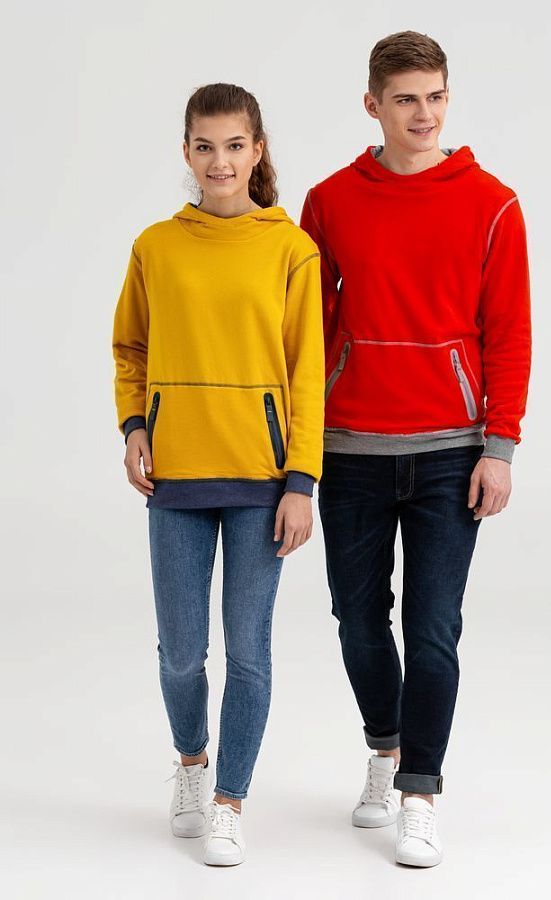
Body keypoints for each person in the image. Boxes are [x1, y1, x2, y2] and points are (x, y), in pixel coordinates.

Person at [300, 31, 531, 867]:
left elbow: (508, 331)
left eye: (434, 96)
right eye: (405, 99)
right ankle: (386, 745)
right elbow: (307, 333)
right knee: (358, 620)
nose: (423, 113)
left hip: (449, 452)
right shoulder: (329, 202)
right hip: (350, 448)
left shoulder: (493, 203)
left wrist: (499, 445)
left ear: (447, 97)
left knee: (433, 629)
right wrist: (298, 446)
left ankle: (420, 792)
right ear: (373, 105)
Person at [112, 83, 324, 866]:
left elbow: (308, 374)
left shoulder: (292, 250)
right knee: (178, 652)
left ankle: (230, 801)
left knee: (248, 653)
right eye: (205, 146)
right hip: (176, 479)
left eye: (235, 145)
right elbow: (130, 348)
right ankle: (192, 765)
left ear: (257, 150)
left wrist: (302, 481)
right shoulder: (156, 247)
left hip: (263, 482)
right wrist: (135, 424)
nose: (220, 161)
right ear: (187, 152)